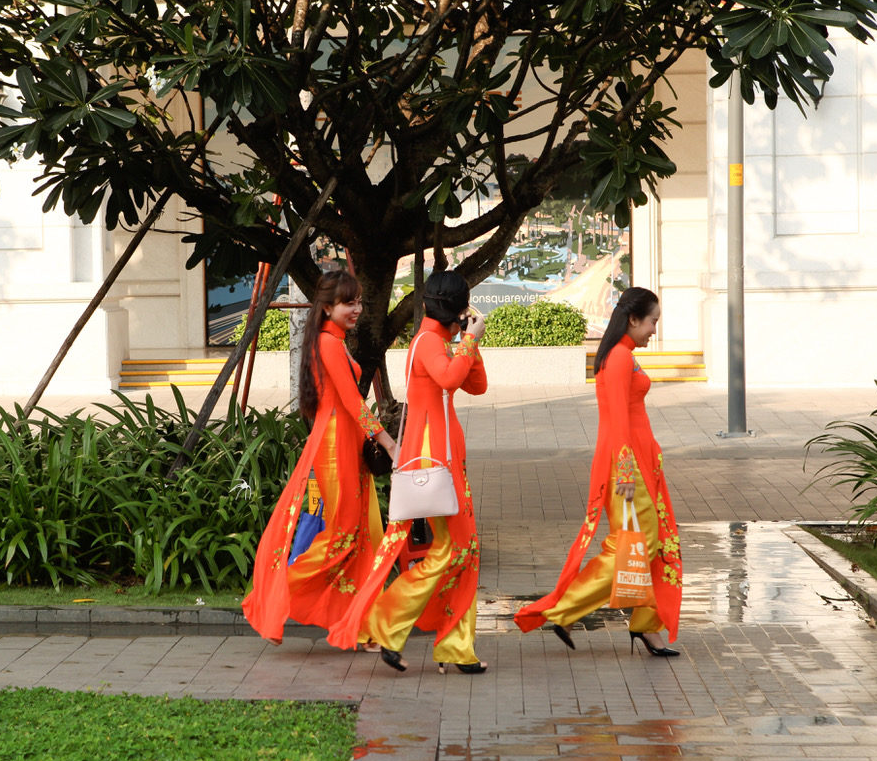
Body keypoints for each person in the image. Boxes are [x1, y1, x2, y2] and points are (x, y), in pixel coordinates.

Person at [328, 270, 489, 675]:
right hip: (436, 461)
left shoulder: (436, 341)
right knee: (457, 550)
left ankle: (424, 636)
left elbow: (477, 384)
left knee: (454, 550)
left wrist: (470, 342)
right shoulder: (429, 342)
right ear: (458, 309)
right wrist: (471, 338)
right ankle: (402, 629)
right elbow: (452, 377)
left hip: (441, 457)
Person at [514, 287, 683, 656]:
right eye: (653, 321)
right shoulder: (620, 358)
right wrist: (625, 475)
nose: (655, 329)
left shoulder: (622, 354)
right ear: (634, 319)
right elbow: (619, 421)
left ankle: (645, 626)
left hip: (634, 461)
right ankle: (564, 610)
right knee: (640, 544)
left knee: (645, 545)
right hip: (628, 465)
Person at [242, 271, 398, 645]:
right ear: (327, 307)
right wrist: (389, 443)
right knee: (343, 536)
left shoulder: (336, 340)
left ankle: (360, 626)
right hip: (334, 446)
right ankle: (271, 598)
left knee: (361, 536)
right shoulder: (329, 343)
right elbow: (350, 400)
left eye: (359, 301)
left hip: (346, 442)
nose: (357, 309)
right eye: (349, 302)